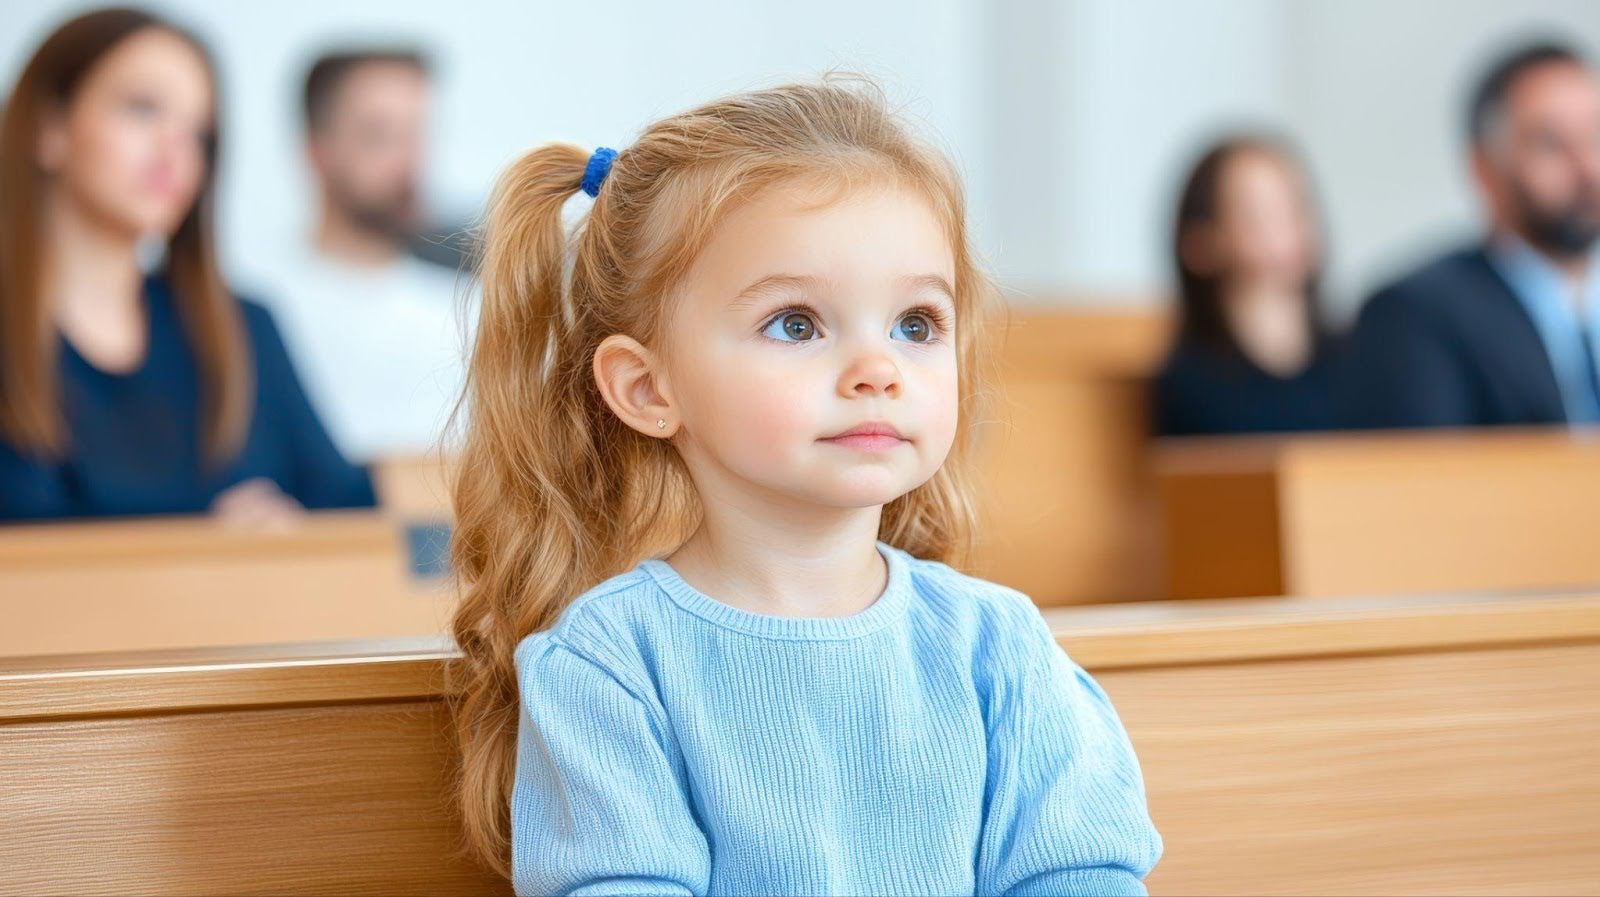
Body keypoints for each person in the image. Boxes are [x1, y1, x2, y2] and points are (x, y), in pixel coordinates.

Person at [446, 81, 1162, 895]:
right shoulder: (611, 663)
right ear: (647, 387)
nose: (877, 370)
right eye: (796, 323)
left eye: (915, 324)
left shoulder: (998, 645)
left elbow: (1078, 875)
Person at [0, 8, 373, 522]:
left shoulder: (245, 330)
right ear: (50, 127)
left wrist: (290, 533)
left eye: (199, 133)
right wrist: (197, 557)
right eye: (143, 108)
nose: (175, 149)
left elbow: (358, 519)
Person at [1343, 40, 1600, 428]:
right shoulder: (1417, 316)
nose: (1588, 168)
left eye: (1595, 135)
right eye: (1551, 144)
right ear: (1484, 168)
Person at [252, 47, 469, 464]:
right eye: (380, 136)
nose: (408, 162)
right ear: (316, 151)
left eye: (417, 133)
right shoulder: (248, 306)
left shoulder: (467, 310)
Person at [1154, 136, 1341, 435]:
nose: (1284, 233)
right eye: (1257, 216)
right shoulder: (1192, 385)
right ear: (1199, 243)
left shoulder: (1358, 359)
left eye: (1293, 209)